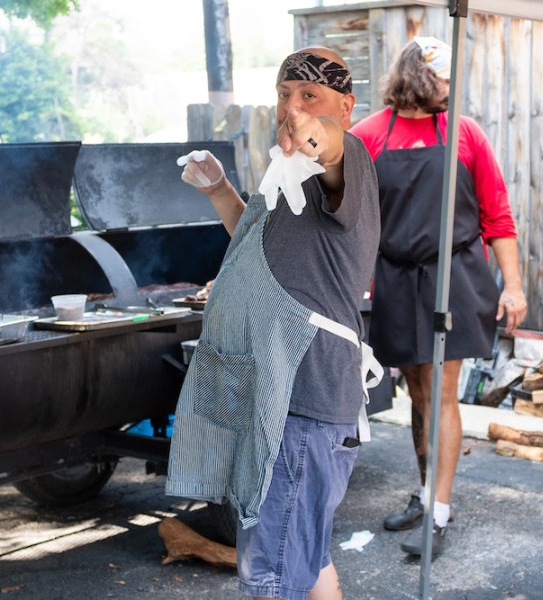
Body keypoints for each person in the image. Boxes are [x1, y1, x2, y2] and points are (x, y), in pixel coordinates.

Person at [165, 47, 381, 600]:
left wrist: (317, 134)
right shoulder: (284, 174)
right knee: (305, 555)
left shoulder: (347, 161)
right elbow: (253, 245)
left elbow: (332, 146)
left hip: (305, 393)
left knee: (273, 573)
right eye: (285, 94)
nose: (293, 106)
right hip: (277, 392)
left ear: (346, 106)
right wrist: (219, 190)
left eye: (310, 95)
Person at [350, 36, 528, 557]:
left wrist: (512, 285)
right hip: (396, 279)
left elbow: (498, 215)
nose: (451, 87)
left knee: (444, 391)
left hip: (454, 275)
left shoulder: (464, 133)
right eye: (444, 77)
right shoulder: (368, 137)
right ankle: (428, 493)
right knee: (419, 393)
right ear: (418, 76)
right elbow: (343, 207)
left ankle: (439, 514)